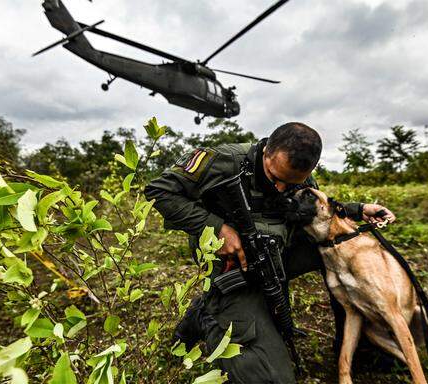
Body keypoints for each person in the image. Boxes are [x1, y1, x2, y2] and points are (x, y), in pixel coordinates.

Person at [144, 122, 395, 383]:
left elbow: (312, 211)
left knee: (344, 245)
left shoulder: (301, 177)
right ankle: (209, 310)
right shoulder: (223, 160)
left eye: (291, 184)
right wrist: (218, 229)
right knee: (269, 377)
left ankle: (364, 344)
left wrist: (357, 210)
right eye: (274, 178)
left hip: (276, 252)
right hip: (231, 263)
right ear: (266, 152)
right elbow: (159, 191)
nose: (281, 189)